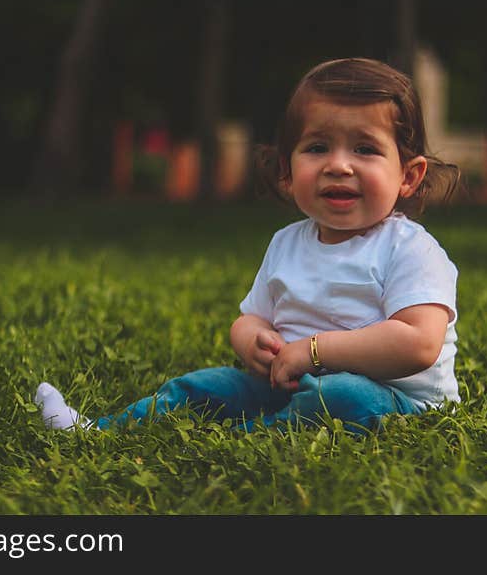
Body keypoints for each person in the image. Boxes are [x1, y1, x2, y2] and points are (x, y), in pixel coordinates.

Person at [35, 57, 461, 435]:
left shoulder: (410, 249)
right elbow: (250, 318)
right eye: (317, 148)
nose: (338, 165)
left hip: (393, 399)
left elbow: (417, 343)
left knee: (344, 396)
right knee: (204, 385)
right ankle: (97, 431)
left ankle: (251, 437)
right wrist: (255, 342)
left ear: (408, 175)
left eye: (365, 149)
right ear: (287, 171)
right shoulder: (286, 243)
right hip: (285, 382)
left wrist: (314, 352)